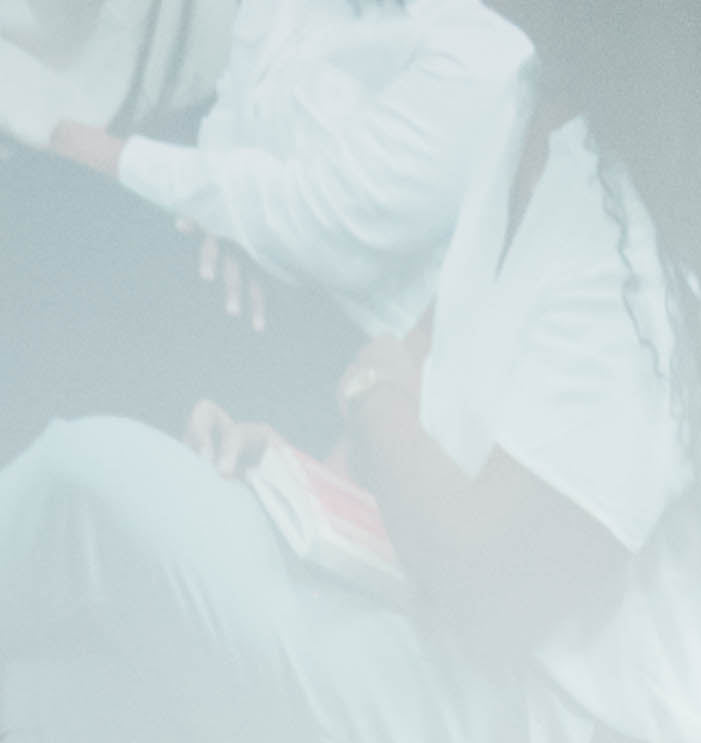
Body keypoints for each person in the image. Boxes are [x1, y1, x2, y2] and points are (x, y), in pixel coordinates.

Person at [0, 0, 701, 743]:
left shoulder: (648, 261)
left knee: (83, 485)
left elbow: (490, 588)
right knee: (59, 700)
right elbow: (431, 384)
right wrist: (303, 470)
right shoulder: (536, 105)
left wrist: (374, 401)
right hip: (438, 624)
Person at [0, 0, 532, 456]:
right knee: (40, 212)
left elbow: (331, 227)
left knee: (51, 236)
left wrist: (119, 159)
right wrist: (225, 227)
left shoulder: (484, 55)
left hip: (344, 358)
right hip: (232, 264)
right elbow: (226, 130)